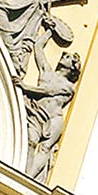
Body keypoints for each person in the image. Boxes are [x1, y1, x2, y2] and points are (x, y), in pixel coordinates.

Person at [23, 28, 81, 182]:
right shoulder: (47, 72)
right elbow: (38, 48)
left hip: (53, 120)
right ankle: (23, 173)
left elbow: (46, 91)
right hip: (37, 114)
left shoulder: (67, 87)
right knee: (30, 141)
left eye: (68, 57)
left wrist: (24, 87)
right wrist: (50, 31)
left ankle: (28, 178)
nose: (64, 56)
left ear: (73, 67)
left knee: (44, 148)